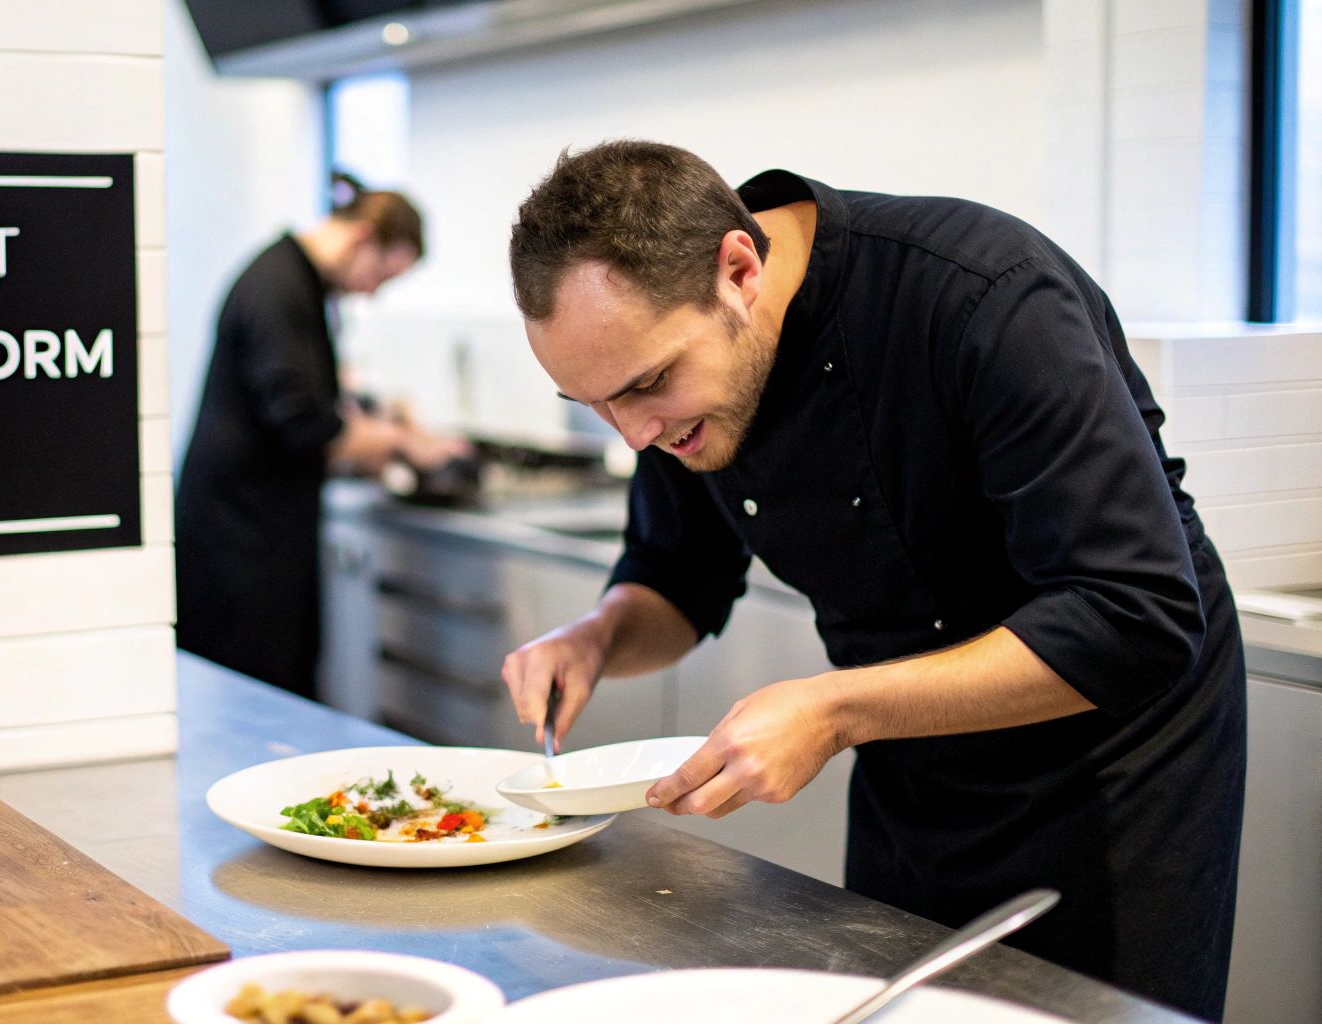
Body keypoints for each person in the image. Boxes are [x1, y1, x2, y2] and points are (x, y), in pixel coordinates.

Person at [498, 141, 1244, 1021]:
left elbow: (1135, 615)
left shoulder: (983, 294)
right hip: (909, 760)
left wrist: (837, 710)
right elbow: (678, 576)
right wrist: (596, 636)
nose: (632, 435)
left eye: (647, 386)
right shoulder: (668, 388)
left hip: (1109, 774)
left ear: (739, 270)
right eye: (595, 406)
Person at [178, 178, 464, 699]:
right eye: (382, 274)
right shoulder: (279, 288)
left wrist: (380, 416)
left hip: (259, 527)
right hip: (239, 539)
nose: (373, 292)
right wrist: (403, 443)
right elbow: (306, 425)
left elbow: (312, 396)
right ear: (361, 238)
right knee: (254, 697)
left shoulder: (296, 281)